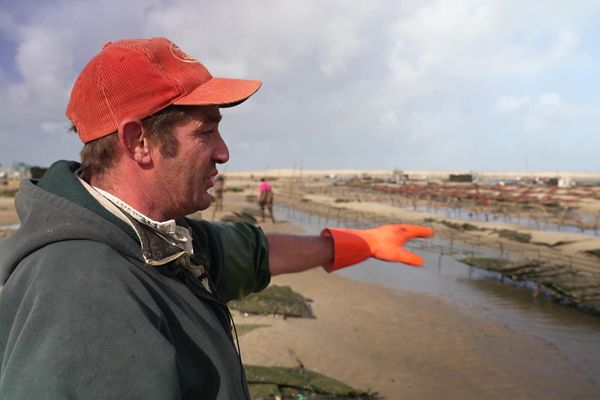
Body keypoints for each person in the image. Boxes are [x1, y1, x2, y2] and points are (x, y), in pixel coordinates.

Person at [0, 37, 434, 399]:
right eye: (206, 131)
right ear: (139, 142)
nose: (224, 152)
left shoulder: (154, 238)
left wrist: (361, 243)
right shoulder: (82, 290)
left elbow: (250, 251)